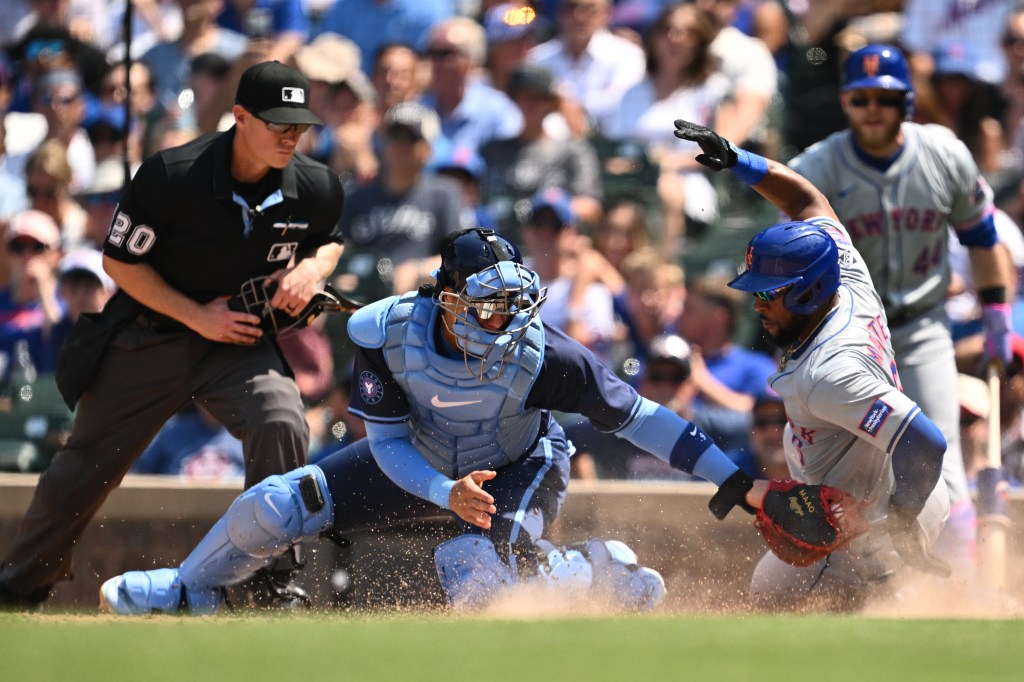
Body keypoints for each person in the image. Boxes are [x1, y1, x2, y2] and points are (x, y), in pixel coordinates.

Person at [97, 226, 788, 616]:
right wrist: (442, 492)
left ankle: (597, 571)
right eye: (492, 306)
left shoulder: (550, 356)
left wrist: (740, 485)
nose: (512, 321)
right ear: (450, 302)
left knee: (474, 574)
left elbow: (644, 420)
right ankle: (189, 590)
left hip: (519, 464)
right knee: (277, 503)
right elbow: (388, 445)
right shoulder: (384, 335)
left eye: (519, 303)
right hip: (420, 463)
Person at [0, 61, 345, 610]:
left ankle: (275, 580)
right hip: (153, 334)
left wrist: (315, 268)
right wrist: (196, 316)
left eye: (298, 125)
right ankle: (21, 586)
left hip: (238, 340)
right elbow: (119, 262)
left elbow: (331, 238)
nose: (290, 135)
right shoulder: (174, 174)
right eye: (277, 122)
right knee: (86, 465)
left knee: (280, 418)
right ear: (238, 117)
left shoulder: (314, 184)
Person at [675, 117, 953, 610]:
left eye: (768, 293)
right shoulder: (844, 272)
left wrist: (898, 524)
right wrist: (741, 161)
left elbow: (926, 441)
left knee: (776, 602)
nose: (757, 304)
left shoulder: (828, 372)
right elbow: (807, 203)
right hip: (893, 490)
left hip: (867, 518)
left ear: (807, 292)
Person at [787, 44, 1013, 562]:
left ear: (907, 102)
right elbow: (779, 234)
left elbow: (983, 238)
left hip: (919, 327)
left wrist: (997, 310)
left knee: (944, 456)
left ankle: (958, 587)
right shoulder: (819, 165)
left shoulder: (943, 153)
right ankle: (857, 574)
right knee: (847, 465)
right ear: (845, 103)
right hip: (847, 334)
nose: (872, 109)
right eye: (860, 98)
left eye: (884, 99)